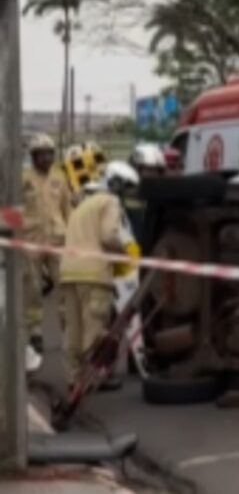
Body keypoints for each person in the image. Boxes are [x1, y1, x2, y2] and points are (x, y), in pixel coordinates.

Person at [58, 161, 139, 387]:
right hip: (94, 274)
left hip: (68, 273)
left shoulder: (82, 206)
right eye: (128, 188)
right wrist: (126, 252)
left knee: (72, 333)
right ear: (117, 184)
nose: (128, 194)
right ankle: (93, 380)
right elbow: (108, 236)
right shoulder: (110, 201)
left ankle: (73, 381)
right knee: (93, 333)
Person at [21, 134, 72, 347]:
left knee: (65, 285)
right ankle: (35, 331)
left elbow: (67, 209)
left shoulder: (60, 178)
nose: (46, 158)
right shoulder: (23, 179)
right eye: (42, 154)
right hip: (31, 240)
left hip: (58, 240)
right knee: (32, 287)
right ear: (33, 157)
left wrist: (72, 236)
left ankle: (68, 328)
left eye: (50, 154)